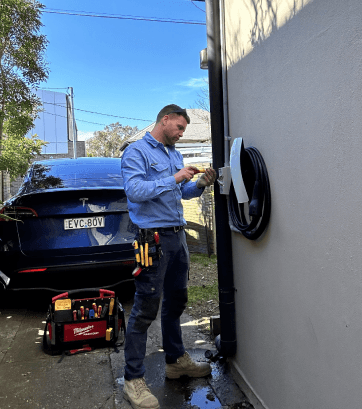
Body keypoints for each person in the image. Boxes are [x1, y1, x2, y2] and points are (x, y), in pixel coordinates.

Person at [121, 104, 217, 409]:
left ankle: (176, 362)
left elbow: (180, 192)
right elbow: (135, 190)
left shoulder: (174, 153)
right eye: (179, 127)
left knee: (177, 302)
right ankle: (133, 379)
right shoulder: (137, 152)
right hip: (154, 240)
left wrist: (200, 184)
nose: (181, 133)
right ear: (165, 120)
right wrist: (175, 178)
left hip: (178, 237)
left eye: (184, 129)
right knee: (145, 309)